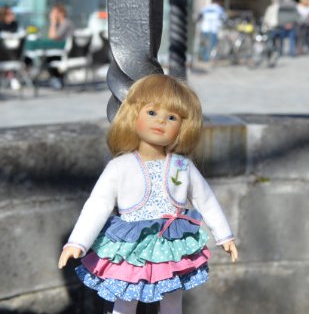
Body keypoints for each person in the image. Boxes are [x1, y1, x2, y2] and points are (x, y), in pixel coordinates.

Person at [58, 74, 238, 313]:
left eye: (171, 117)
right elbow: (98, 205)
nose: (161, 121)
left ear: (182, 126)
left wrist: (224, 236)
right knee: (125, 296)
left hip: (172, 243)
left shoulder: (182, 166)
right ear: (134, 115)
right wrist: (78, 241)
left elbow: (206, 200)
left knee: (172, 296)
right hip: (132, 244)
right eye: (152, 113)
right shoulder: (121, 166)